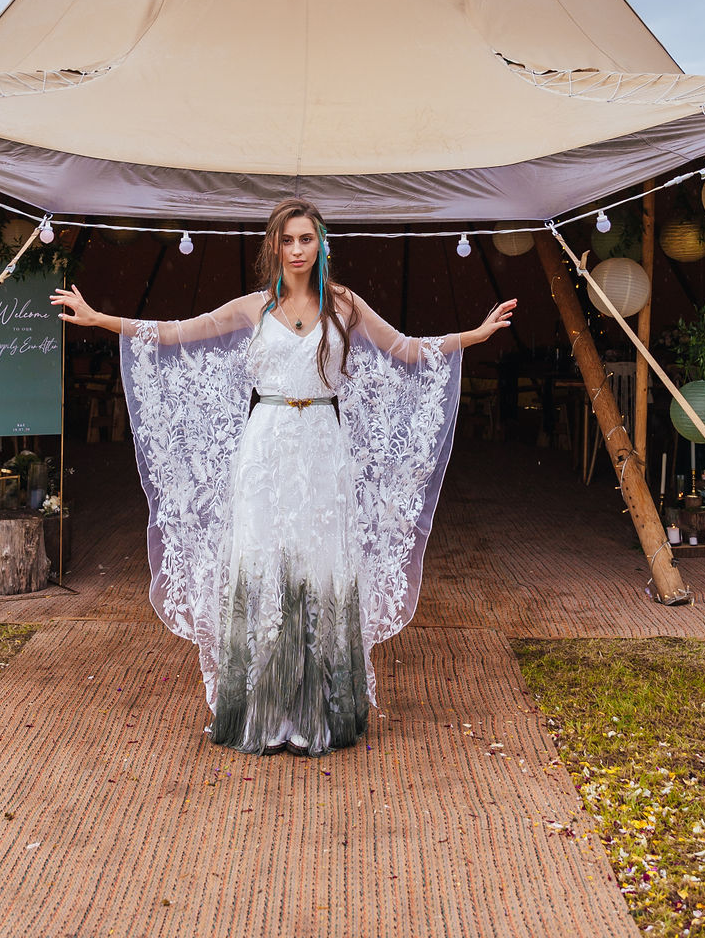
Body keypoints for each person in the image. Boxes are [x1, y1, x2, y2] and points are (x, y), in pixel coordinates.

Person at [52, 196, 515, 758]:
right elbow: (179, 332)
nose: (297, 250)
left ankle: (319, 711)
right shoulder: (254, 307)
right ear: (274, 246)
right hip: (266, 446)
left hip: (323, 444)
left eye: (307, 239)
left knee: (318, 564)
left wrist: (473, 336)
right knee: (265, 562)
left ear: (321, 245)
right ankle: (261, 711)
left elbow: (406, 349)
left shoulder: (344, 305)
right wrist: (103, 320)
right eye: (287, 240)